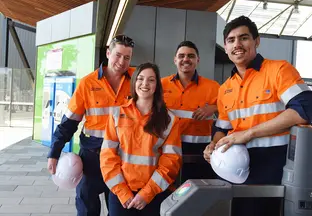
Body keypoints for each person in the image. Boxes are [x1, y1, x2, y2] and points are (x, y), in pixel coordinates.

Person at [203, 16, 312, 216]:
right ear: (225, 47)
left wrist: (249, 133)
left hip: (276, 171)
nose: (237, 44)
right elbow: (222, 128)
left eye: (243, 38)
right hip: (236, 171)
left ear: (256, 41)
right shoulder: (225, 88)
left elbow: (304, 110)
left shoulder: (279, 70)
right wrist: (214, 145)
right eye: (231, 40)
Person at [47, 34, 135, 216]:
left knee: (121, 211)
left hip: (123, 160)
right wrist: (54, 152)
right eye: (118, 55)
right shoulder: (88, 83)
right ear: (108, 53)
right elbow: (69, 122)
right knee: (87, 209)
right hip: (91, 160)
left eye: (127, 57)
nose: (122, 61)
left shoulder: (137, 80)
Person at [100, 62, 182, 216]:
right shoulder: (117, 114)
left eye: (151, 80)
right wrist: (122, 192)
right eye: (140, 79)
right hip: (121, 195)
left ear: (157, 85)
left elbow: (171, 161)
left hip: (153, 196)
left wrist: (147, 194)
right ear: (134, 82)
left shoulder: (169, 119)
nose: (145, 84)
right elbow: (107, 157)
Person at [161, 41, 220, 183]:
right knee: (168, 194)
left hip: (200, 152)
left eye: (191, 56)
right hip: (167, 147)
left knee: (196, 196)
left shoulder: (213, 87)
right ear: (175, 60)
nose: (186, 59)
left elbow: (228, 113)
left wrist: (214, 108)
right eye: (181, 56)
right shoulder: (161, 85)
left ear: (197, 60)